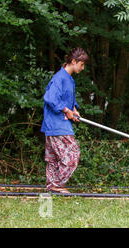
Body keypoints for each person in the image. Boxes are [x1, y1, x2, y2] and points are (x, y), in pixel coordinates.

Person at [41, 47, 89, 193]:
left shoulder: (69, 79)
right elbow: (50, 98)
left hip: (59, 123)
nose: (83, 67)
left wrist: (73, 109)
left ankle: (52, 186)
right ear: (73, 61)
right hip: (56, 124)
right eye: (81, 64)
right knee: (73, 154)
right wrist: (66, 110)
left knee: (54, 159)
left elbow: (67, 99)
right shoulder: (59, 78)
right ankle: (56, 185)